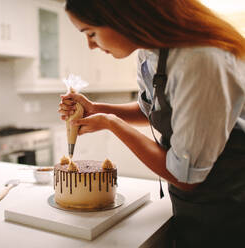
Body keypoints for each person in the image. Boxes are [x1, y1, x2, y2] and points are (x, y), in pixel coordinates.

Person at [58, 0, 245, 247]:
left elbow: (187, 178)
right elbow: (151, 110)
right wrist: (97, 109)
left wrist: (112, 123)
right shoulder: (151, 53)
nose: (91, 45)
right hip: (194, 205)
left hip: (230, 208)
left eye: (91, 33)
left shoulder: (200, 61)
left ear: (122, 16)